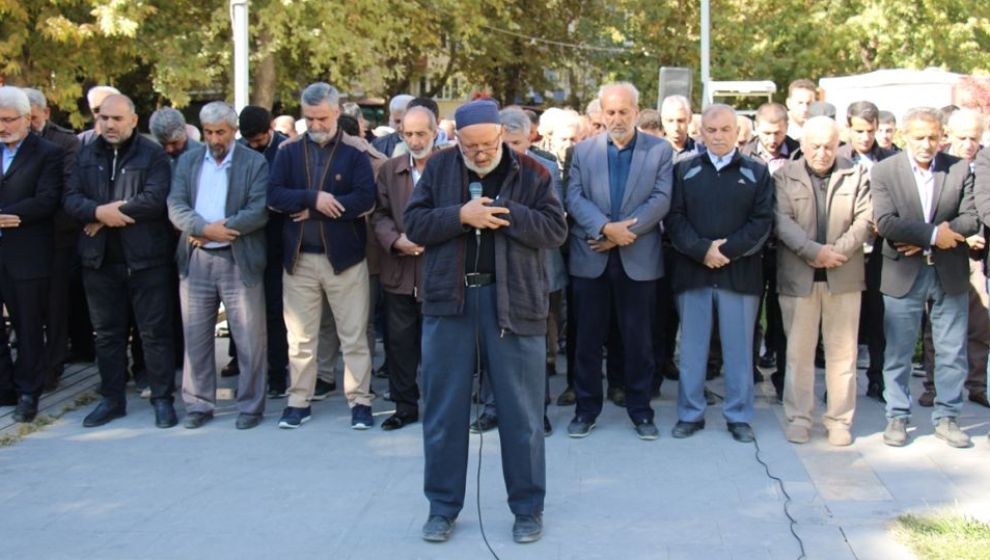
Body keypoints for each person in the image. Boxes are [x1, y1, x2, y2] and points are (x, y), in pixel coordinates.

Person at [404, 98, 566, 544]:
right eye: (469, 145)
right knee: (442, 413)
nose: (479, 153)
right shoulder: (437, 170)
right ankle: (442, 508)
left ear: (501, 135)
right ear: (456, 140)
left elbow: (555, 231)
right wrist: (460, 215)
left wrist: (506, 214)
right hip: (449, 303)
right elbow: (413, 224)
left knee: (523, 415)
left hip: (512, 305)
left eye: (487, 144)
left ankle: (528, 508)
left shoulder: (533, 173)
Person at [565, 83, 673, 440]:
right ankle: (586, 409)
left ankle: (640, 410)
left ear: (637, 111)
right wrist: (605, 229)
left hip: (638, 258)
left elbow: (661, 198)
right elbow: (574, 196)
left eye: (623, 111)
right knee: (587, 341)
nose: (616, 119)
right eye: (609, 112)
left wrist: (625, 233)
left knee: (639, 341)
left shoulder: (659, 151)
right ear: (601, 113)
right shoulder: (582, 151)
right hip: (591, 256)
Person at [63, 94, 178, 429]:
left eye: (116, 118)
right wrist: (98, 212)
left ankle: (162, 399)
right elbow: (71, 199)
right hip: (99, 261)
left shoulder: (153, 154)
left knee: (154, 333)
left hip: (146, 260)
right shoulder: (85, 153)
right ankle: (111, 399)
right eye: (104, 118)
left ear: (133, 120)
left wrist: (111, 213)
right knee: (107, 335)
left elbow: (154, 200)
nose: (109, 124)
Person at [267, 82, 376, 429]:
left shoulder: (355, 153)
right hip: (299, 260)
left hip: (345, 261)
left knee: (354, 336)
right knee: (300, 339)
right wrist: (313, 197)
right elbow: (274, 196)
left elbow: (365, 200)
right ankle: (298, 401)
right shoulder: (287, 152)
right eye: (309, 118)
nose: (314, 125)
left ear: (337, 113)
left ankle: (360, 401)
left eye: (322, 118)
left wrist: (314, 211)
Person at [666, 104, 774, 443]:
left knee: (739, 351)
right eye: (711, 131)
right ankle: (690, 413)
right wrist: (702, 250)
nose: (718, 136)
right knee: (693, 349)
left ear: (738, 132)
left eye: (725, 129)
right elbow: (674, 218)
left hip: (739, 275)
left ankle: (739, 415)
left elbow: (762, 222)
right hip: (693, 272)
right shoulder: (684, 170)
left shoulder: (757, 171)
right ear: (701, 133)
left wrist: (724, 252)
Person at [871, 107, 978, 448]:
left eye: (933, 137)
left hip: (949, 272)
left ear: (941, 136)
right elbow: (885, 222)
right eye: (918, 137)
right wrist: (931, 236)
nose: (926, 144)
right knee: (899, 351)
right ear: (904, 136)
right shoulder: (885, 170)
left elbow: (972, 216)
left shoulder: (959, 168)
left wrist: (940, 236)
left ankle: (947, 417)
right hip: (903, 271)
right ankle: (897, 417)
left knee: (951, 350)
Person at [167, 101, 269, 430]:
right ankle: (198, 403)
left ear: (233, 130)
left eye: (220, 132)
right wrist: (201, 228)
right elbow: (175, 204)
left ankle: (251, 405)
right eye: (209, 132)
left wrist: (222, 228)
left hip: (238, 258)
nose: (214, 139)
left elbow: (259, 208)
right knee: (195, 335)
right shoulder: (189, 161)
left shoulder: (254, 162)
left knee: (249, 337)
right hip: (196, 258)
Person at [774, 117, 873, 446]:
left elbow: (864, 220)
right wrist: (813, 252)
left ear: (838, 144)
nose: (822, 153)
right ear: (802, 146)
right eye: (815, 146)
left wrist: (834, 254)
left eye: (829, 146)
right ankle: (799, 417)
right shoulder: (784, 176)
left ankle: (839, 419)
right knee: (798, 354)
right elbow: (781, 221)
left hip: (842, 277)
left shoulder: (856, 174)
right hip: (799, 279)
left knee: (842, 354)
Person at [370, 106, 436, 430]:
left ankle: (439, 408)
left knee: (438, 347)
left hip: (437, 272)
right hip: (398, 271)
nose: (414, 140)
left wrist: (431, 237)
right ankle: (404, 406)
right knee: (399, 344)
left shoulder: (449, 167)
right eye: (407, 134)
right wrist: (396, 241)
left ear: (434, 133)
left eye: (420, 133)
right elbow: (379, 214)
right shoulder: (390, 170)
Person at [0, 86, 62, 422]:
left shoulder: (47, 153)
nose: (2, 127)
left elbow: (47, 199)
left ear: (27, 119)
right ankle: (3, 386)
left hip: (28, 253)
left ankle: (28, 391)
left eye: (9, 120)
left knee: (26, 326)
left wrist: (8, 214)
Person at [23, 87, 84, 390]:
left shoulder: (64, 142)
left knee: (55, 304)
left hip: (56, 236)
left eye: (32, 118)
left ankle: (53, 364)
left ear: (45, 114)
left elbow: (67, 191)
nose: (27, 124)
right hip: (19, 239)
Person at [236, 105, 290, 397]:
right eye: (249, 141)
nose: (254, 146)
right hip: (246, 241)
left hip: (277, 243)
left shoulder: (285, 150)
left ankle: (277, 374)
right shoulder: (240, 151)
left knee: (274, 312)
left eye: (258, 140)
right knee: (245, 312)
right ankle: (242, 363)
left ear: (270, 128)